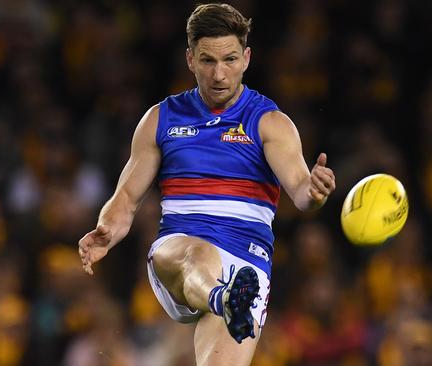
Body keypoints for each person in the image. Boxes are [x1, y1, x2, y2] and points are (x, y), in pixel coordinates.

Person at [78, 3, 336, 365]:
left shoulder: (270, 123)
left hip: (245, 264)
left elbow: (301, 192)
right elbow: (127, 197)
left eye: (230, 60)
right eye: (208, 61)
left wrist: (315, 192)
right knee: (197, 253)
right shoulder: (160, 119)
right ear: (190, 59)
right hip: (179, 250)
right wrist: (106, 228)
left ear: (246, 58)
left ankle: (229, 299)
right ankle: (224, 299)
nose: (219, 74)